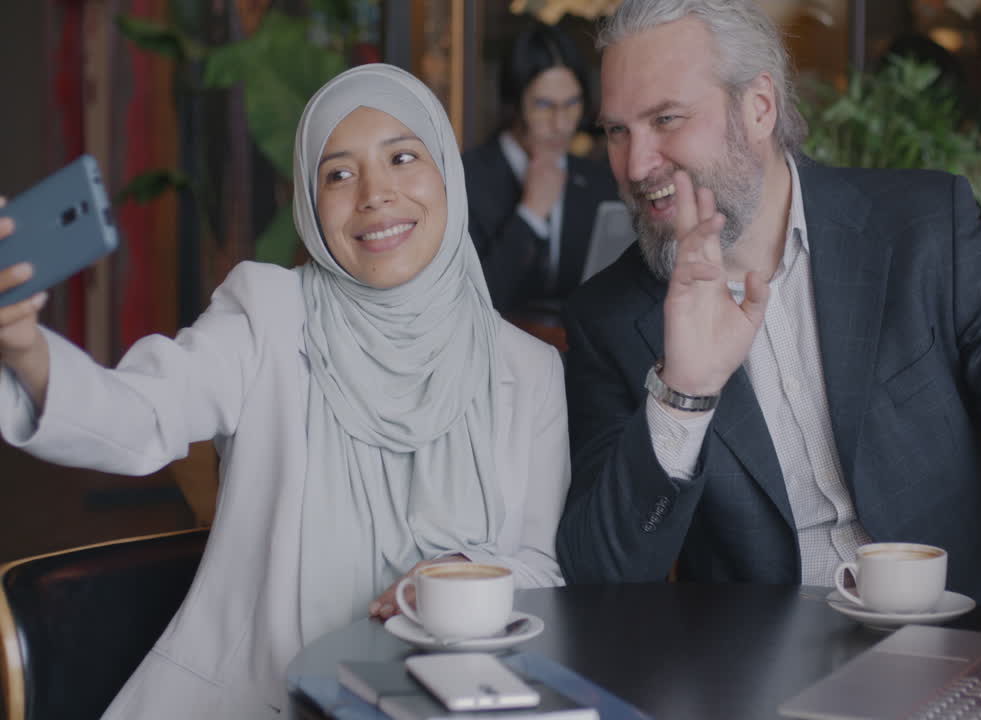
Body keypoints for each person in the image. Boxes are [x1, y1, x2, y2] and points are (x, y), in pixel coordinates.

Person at [555, 0, 981, 647]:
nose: (636, 166)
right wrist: (683, 393)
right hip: (761, 680)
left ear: (759, 109)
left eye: (666, 119)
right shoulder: (608, 317)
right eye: (616, 131)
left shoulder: (922, 230)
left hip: (974, 646)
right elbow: (601, 576)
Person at [0, 64, 569, 719]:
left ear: (446, 172)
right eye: (338, 173)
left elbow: (540, 570)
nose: (375, 194)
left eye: (403, 158)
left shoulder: (528, 369)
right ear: (309, 200)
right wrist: (26, 350)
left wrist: (461, 570)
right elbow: (140, 416)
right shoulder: (266, 316)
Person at [463, 21, 618, 313]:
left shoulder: (598, 181)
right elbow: (473, 302)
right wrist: (530, 215)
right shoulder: (466, 179)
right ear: (514, 103)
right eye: (545, 106)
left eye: (572, 104)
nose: (561, 124)